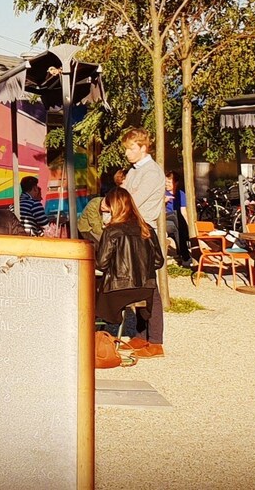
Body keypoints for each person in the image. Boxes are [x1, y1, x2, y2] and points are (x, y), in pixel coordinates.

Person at [121, 127, 166, 357]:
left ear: (143, 147)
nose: (127, 153)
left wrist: (112, 209)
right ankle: (140, 335)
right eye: (126, 149)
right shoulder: (133, 171)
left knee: (150, 286)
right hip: (130, 230)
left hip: (144, 231)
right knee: (138, 285)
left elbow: (131, 202)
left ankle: (156, 341)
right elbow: (122, 198)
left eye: (131, 148)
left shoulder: (152, 173)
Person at [94, 187, 163, 333]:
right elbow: (159, 261)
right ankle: (147, 337)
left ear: (114, 208)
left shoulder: (111, 231)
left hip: (117, 289)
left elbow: (101, 264)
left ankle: (96, 335)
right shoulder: (147, 229)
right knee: (152, 290)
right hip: (144, 289)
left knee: (91, 296)